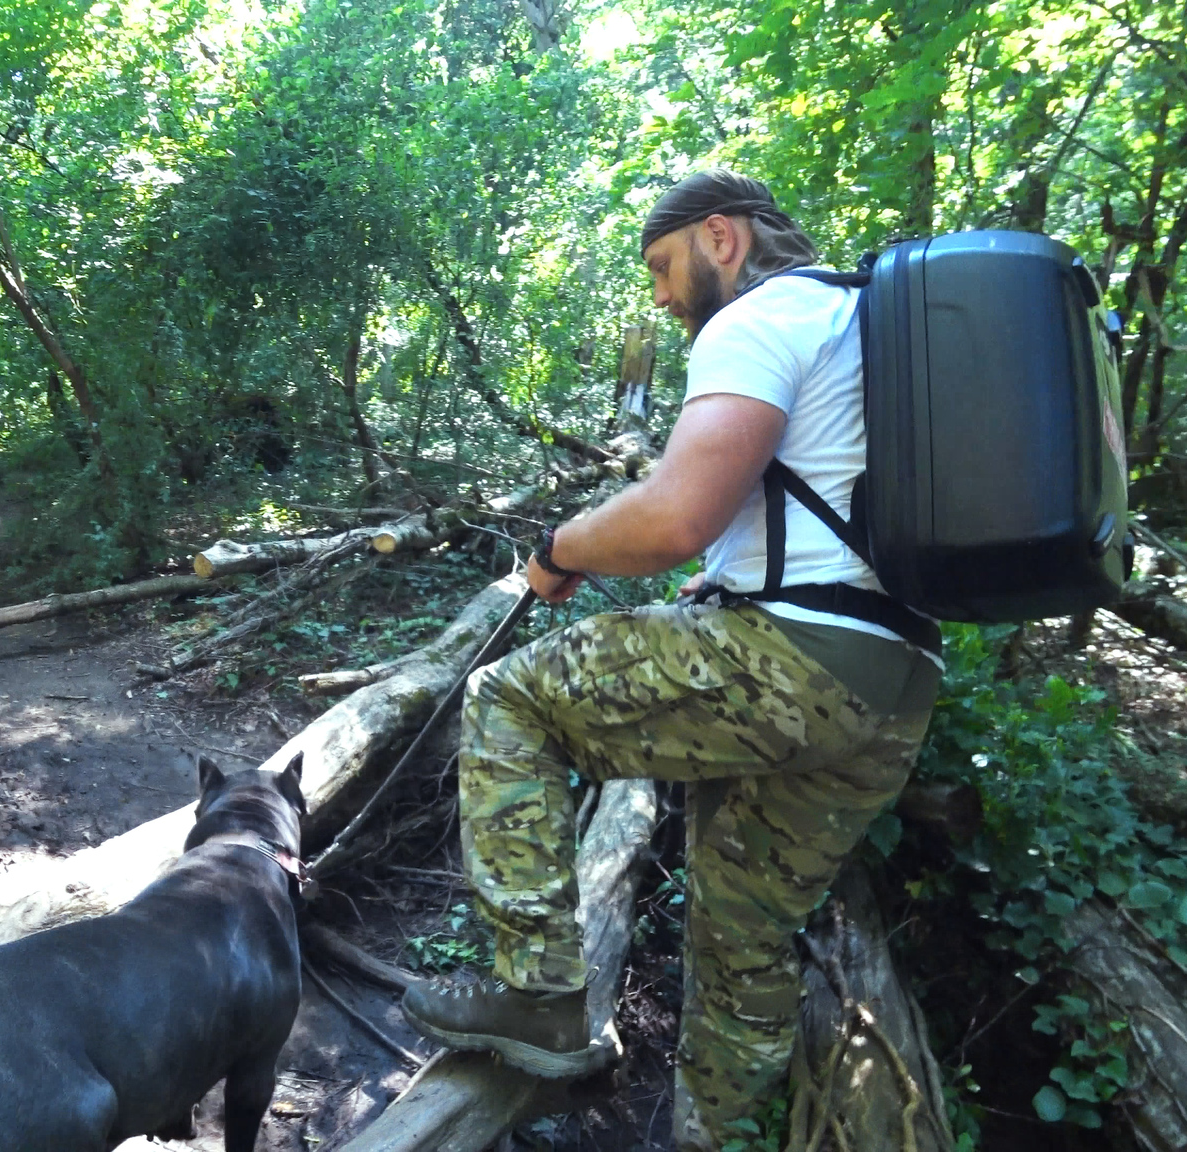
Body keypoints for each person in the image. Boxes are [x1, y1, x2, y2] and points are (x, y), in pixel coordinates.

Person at [399, 170, 944, 1150]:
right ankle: (714, 1136)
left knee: (507, 698)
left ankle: (544, 1003)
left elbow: (672, 515)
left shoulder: (758, 319)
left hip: (789, 666)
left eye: (661, 265)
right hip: (892, 689)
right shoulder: (871, 329)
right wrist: (728, 583)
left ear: (719, 239)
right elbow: (808, 515)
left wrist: (558, 549)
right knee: (739, 939)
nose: (658, 295)